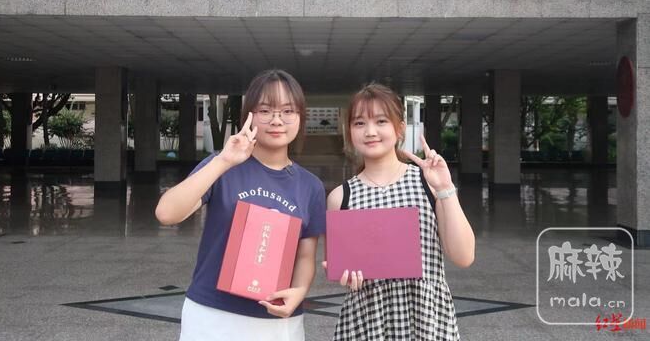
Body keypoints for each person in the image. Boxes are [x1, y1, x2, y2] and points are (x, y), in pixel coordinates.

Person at [155, 69, 326, 341]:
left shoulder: (311, 186)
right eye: (265, 110)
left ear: (300, 117)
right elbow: (166, 213)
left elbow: (306, 255)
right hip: (212, 316)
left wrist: (300, 291)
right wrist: (224, 161)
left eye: (287, 111)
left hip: (277, 321)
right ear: (249, 116)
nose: (277, 120)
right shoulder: (223, 165)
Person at [326, 83, 475, 341]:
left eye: (381, 121)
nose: (370, 131)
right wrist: (344, 274)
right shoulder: (340, 197)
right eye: (359, 123)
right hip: (366, 323)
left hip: (427, 321)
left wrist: (445, 188)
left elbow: (463, 257)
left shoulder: (428, 183)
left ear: (399, 129)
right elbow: (344, 270)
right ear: (349, 131)